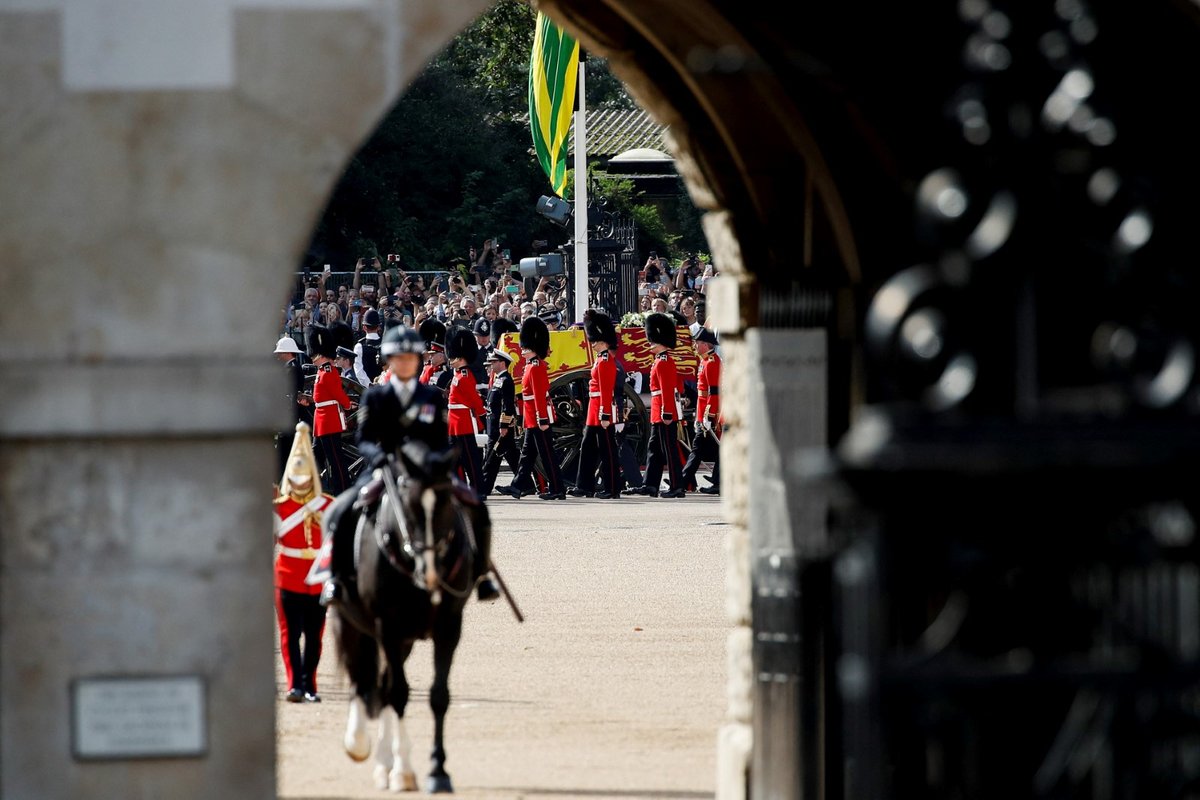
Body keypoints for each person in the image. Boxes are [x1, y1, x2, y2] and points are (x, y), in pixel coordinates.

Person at [313, 324, 499, 609]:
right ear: (389, 361)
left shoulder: (431, 397)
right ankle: (336, 578)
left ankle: (481, 574)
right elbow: (364, 438)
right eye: (398, 358)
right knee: (341, 511)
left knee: (475, 506)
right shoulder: (375, 397)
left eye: (410, 357)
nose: (404, 363)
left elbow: (439, 437)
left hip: (423, 467)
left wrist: (434, 459)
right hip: (384, 466)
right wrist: (379, 457)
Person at [273, 423, 333, 703]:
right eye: (296, 480)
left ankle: (311, 684)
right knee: (290, 634)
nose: (301, 485)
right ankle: (294, 683)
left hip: (317, 580)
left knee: (314, 637)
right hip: (287, 576)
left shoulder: (327, 506)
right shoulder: (279, 507)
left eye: (305, 479)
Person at [496, 316, 565, 500]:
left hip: (537, 417)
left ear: (534, 347)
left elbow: (540, 395)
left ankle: (558, 488)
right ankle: (518, 486)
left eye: (525, 347)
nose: (522, 349)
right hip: (531, 417)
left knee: (547, 454)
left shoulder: (535, 367)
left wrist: (542, 418)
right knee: (527, 454)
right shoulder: (530, 366)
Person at [626, 313, 685, 498]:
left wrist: (667, 413)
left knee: (669, 450)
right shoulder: (660, 361)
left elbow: (668, 390)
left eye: (653, 340)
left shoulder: (664, 362)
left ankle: (677, 486)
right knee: (655, 450)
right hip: (659, 411)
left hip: (664, 412)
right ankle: (650, 484)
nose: (650, 343)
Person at [569, 309, 622, 499]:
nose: (592, 344)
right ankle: (584, 486)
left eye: (594, 341)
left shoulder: (606, 360)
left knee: (608, 450)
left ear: (602, 341)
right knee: (588, 447)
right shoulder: (601, 359)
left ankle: (613, 487)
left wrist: (605, 414)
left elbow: (606, 390)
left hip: (601, 410)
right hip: (594, 409)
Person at [307, 322, 356, 496]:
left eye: (316, 355)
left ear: (322, 354)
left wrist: (348, 405)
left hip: (329, 421)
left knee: (335, 460)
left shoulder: (328, 371)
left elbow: (338, 394)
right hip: (322, 420)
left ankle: (342, 489)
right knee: (320, 456)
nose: (313, 358)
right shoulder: (322, 370)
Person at [680, 327, 722, 495]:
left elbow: (714, 392)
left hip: (709, 413)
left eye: (697, 343)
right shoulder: (705, 361)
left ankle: (684, 480)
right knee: (709, 449)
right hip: (702, 411)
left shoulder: (712, 362)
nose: (695, 346)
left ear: (705, 344)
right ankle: (716, 480)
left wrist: (709, 416)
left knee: (698, 449)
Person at [445, 327, 486, 496]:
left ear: (461, 358)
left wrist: (482, 416)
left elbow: (473, 400)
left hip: (463, 423)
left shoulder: (465, 375)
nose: (451, 359)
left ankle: (478, 490)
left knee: (471, 460)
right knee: (455, 460)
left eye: (454, 357)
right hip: (454, 423)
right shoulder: (458, 374)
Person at [479, 347, 519, 497]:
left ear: (502, 363)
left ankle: (484, 487)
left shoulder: (506, 380)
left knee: (491, 459)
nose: (491, 364)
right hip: (494, 425)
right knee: (511, 456)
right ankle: (526, 483)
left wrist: (503, 425)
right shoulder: (498, 380)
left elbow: (507, 406)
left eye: (494, 362)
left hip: (499, 428)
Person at [274, 335, 312, 478]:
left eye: (280, 352)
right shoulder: (289, 368)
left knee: (285, 453)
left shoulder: (293, 369)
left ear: (287, 353)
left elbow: (291, 396)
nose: (278, 355)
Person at [418, 318, 451, 392]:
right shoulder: (427, 367)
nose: (430, 357)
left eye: (432, 355)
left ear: (440, 356)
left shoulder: (442, 372)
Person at [354, 308, 383, 385]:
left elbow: (359, 372)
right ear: (378, 327)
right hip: (384, 389)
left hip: (366, 390)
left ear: (364, 327)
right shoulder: (385, 343)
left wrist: (369, 385)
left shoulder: (359, 346)